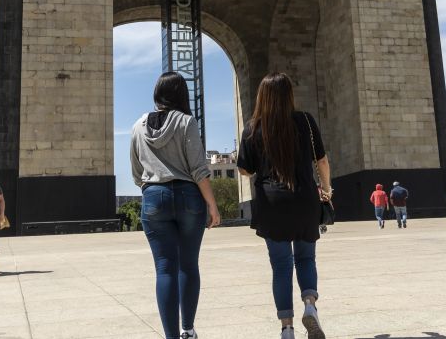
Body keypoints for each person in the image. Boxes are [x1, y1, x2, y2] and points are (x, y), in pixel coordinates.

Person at [237, 72, 332, 339]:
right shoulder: (305, 121)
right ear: (289, 94)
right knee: (306, 258)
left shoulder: (253, 127)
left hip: (272, 204)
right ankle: (310, 307)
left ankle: (287, 328)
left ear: (262, 96)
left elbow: (245, 169)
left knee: (280, 266)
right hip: (304, 200)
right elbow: (322, 161)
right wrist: (326, 189)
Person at [130, 71, 221, 339]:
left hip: (153, 197)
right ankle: (187, 329)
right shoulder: (186, 122)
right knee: (188, 265)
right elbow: (199, 170)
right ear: (182, 94)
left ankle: (170, 336)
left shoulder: (138, 126)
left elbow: (136, 173)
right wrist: (213, 206)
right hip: (188, 198)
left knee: (165, 268)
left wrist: (153, 189)